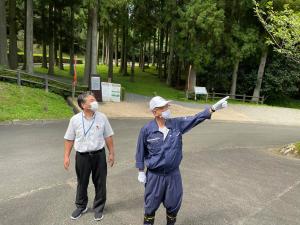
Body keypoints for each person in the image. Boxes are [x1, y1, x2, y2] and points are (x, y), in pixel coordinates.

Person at [135, 96, 229, 225]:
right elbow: (140, 151)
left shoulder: (177, 124)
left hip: (173, 175)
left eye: (167, 106)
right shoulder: (146, 130)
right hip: (154, 176)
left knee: (173, 206)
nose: (167, 109)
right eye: (163, 107)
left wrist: (212, 109)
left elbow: (195, 118)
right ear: (155, 112)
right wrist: (140, 170)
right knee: (150, 207)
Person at [64, 91, 115, 221]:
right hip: (82, 156)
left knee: (100, 182)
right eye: (91, 100)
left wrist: (111, 153)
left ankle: (98, 208)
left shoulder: (102, 117)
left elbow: (108, 136)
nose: (95, 102)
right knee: (82, 182)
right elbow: (69, 139)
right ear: (83, 105)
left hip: (99, 155)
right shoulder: (75, 120)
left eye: (94, 100)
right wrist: (66, 156)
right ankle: (81, 206)